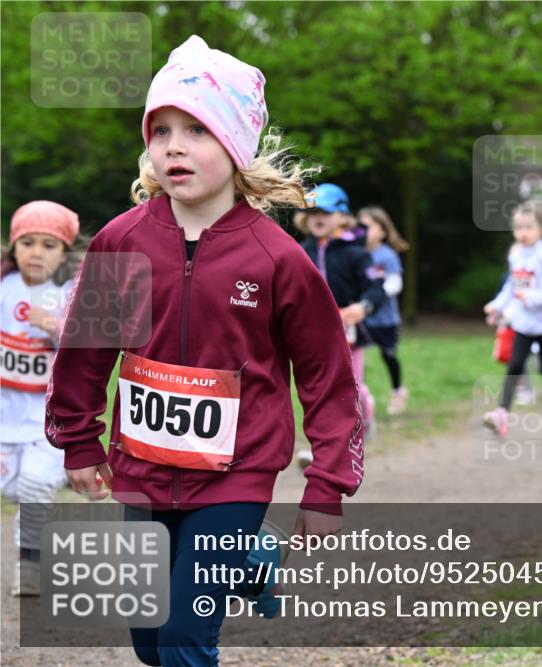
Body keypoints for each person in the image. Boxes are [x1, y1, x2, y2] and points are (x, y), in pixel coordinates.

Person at [44, 36, 363, 665]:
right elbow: (87, 349)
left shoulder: (279, 258)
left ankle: (239, 547)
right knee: (147, 640)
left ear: (236, 145)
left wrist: (327, 485)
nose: (174, 146)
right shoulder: (122, 241)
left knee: (185, 640)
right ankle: (254, 559)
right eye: (160, 130)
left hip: (236, 474)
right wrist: (79, 439)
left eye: (196, 129)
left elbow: (328, 375)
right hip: (141, 468)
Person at [1, 201, 84, 596]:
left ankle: (29, 564)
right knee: (18, 487)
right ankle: (59, 477)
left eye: (49, 245)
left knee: (34, 485)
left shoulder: (70, 290)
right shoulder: (4, 285)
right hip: (4, 417)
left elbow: (87, 339)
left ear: (64, 251)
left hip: (45, 422)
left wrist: (54, 326)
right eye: (27, 243)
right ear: (13, 247)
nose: (36, 253)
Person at [296, 184, 386, 440]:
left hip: (349, 330)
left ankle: (363, 419)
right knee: (319, 387)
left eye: (324, 212)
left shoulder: (356, 254)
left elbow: (376, 289)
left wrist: (362, 307)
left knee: (351, 386)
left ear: (342, 216)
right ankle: (326, 441)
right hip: (313, 331)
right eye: (312, 213)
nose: (317, 218)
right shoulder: (301, 253)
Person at [482, 201, 542, 437]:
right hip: (523, 323)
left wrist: (533, 298)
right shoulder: (517, 257)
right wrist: (497, 307)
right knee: (515, 364)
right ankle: (502, 414)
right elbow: (511, 288)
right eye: (518, 227)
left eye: (529, 227)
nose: (523, 233)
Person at [358, 206, 409, 415]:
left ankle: (398, 391)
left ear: (383, 231)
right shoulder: (356, 254)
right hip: (361, 318)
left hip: (385, 320)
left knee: (388, 356)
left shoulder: (386, 255)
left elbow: (395, 283)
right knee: (358, 359)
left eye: (368, 227)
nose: (364, 232)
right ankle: (361, 396)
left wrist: (373, 299)